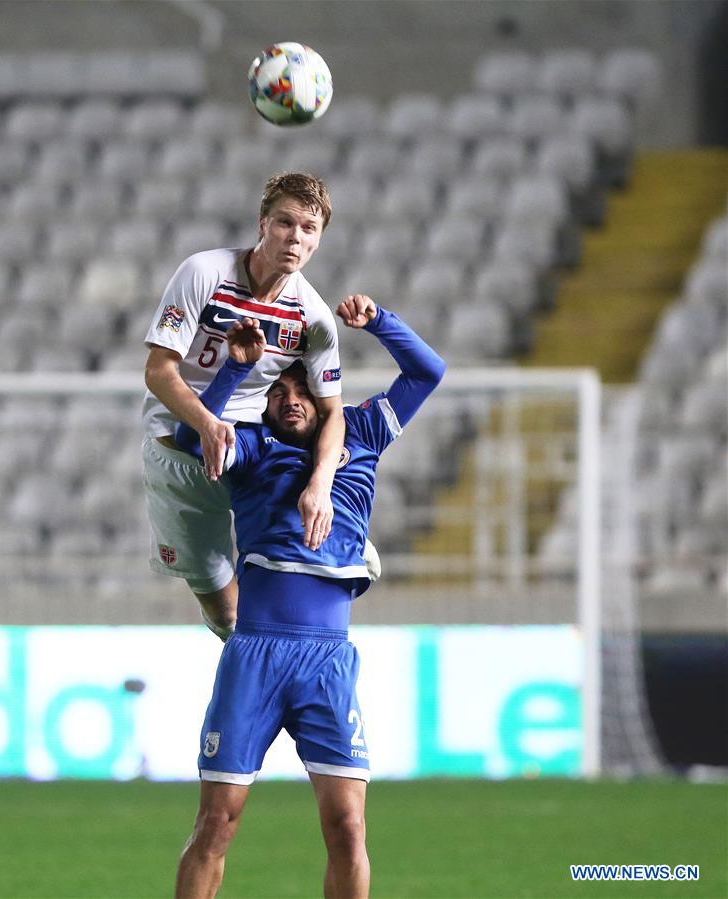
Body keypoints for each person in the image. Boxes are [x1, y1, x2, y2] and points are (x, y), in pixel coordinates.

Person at [172, 294, 446, 899]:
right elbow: (192, 440)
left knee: (348, 828)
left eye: (301, 390)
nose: (290, 400)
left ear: (324, 395)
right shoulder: (252, 448)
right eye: (277, 392)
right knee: (216, 823)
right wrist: (237, 369)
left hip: (327, 659)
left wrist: (379, 322)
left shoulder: (363, 432)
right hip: (255, 653)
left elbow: (428, 372)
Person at [142, 172, 348, 641]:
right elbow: (157, 371)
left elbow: (334, 411)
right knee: (229, 618)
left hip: (252, 446)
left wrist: (321, 485)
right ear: (262, 223)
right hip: (179, 452)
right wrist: (205, 422)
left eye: (309, 228)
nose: (295, 237)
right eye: (285, 222)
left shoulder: (313, 316)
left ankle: (351, 540)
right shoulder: (203, 273)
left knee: (292, 570)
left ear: (318, 239)